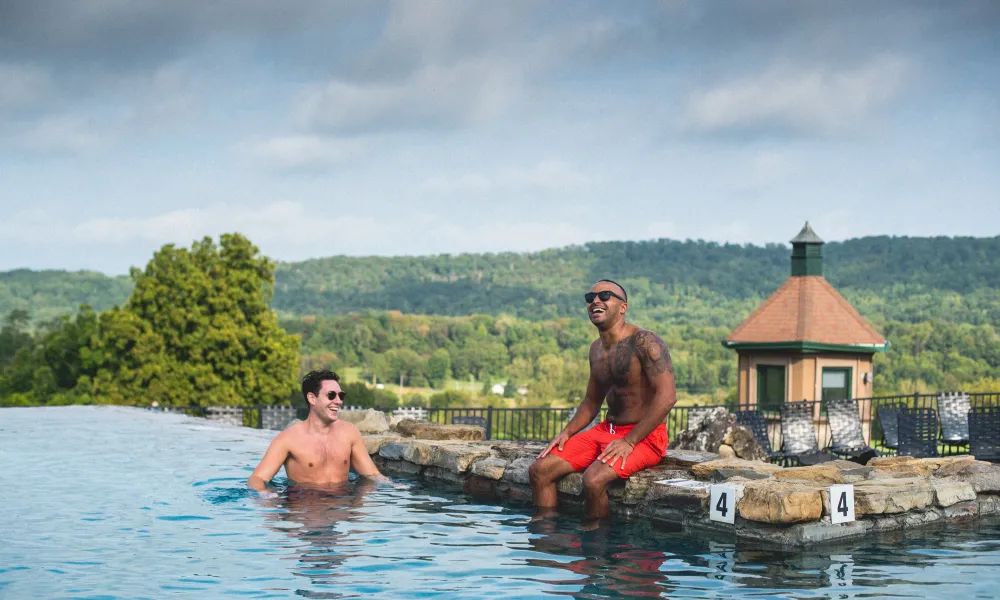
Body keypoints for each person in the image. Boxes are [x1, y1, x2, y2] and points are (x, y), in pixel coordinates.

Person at [529, 279, 676, 525]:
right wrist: (567, 432)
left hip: (644, 436)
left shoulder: (645, 341)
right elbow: (591, 400)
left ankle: (596, 547)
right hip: (605, 431)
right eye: (590, 297)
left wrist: (630, 441)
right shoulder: (596, 349)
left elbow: (667, 397)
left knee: (593, 479)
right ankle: (547, 535)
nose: (596, 300)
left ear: (623, 307)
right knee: (539, 470)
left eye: (605, 295)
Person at [248, 369, 391, 492]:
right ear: (312, 398)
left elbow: (372, 474)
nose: (338, 401)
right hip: (306, 507)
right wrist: (264, 494)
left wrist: (395, 487)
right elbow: (257, 478)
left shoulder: (350, 433)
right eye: (331, 395)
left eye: (340, 395)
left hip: (341, 506)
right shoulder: (287, 440)